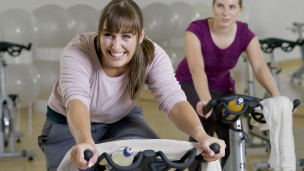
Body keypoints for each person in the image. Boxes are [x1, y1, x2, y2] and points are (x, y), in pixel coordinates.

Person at [37, 0, 226, 171]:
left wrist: (201, 135)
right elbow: (76, 101)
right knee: (78, 165)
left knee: (150, 161)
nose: (116, 47)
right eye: (109, 35)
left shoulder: (153, 56)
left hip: (121, 121)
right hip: (67, 125)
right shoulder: (78, 50)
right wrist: (85, 141)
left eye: (126, 36)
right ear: (99, 31)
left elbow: (173, 99)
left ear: (141, 35)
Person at [175, 0, 280, 170]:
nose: (225, 12)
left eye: (232, 7)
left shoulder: (245, 34)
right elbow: (197, 69)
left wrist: (278, 97)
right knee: (204, 122)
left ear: (240, 9)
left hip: (222, 85)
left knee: (231, 133)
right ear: (213, 7)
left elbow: (260, 68)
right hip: (189, 82)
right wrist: (207, 101)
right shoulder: (195, 30)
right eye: (220, 6)